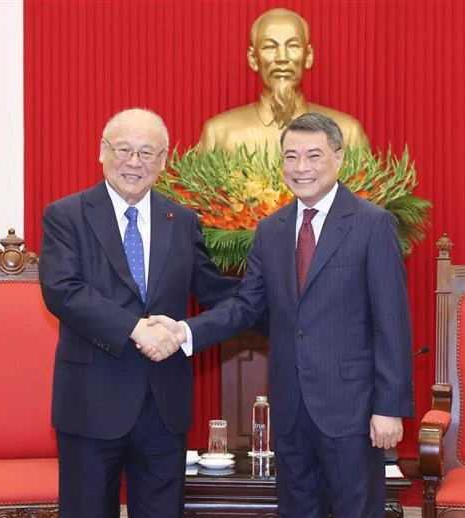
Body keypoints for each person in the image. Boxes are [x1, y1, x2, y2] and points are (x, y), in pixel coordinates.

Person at [147, 113, 414, 518]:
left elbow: (391, 321)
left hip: (352, 410)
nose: (301, 167)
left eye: (313, 155)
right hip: (290, 410)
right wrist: (186, 331)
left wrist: (389, 407)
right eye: (291, 157)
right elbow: (246, 306)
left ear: (339, 158)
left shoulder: (372, 224)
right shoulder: (271, 230)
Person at [39, 108, 238, 518]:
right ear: (101, 151)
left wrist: (282, 292)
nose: (134, 162)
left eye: (147, 153)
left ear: (164, 160)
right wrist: (135, 329)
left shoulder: (181, 220)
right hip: (91, 403)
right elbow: (63, 291)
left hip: (163, 405)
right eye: (124, 149)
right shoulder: (66, 215)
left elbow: (214, 291)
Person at [198, 8, 367, 155]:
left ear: (308, 57)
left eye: (293, 46)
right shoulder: (220, 134)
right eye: (270, 47)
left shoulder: (347, 134)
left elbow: (363, 192)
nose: (282, 58)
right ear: (253, 59)